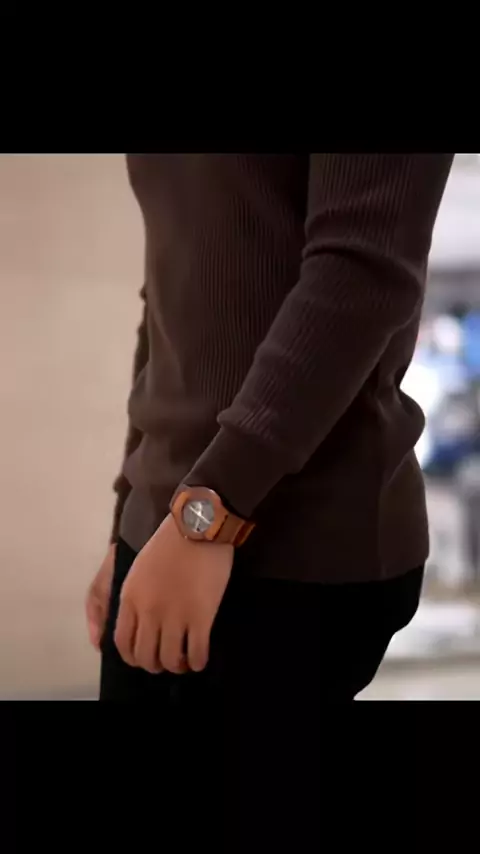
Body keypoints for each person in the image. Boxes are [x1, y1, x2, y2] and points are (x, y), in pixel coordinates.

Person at [86, 154, 453, 708]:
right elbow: (171, 295)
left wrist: (208, 515)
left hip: (291, 543)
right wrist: (129, 522)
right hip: (169, 532)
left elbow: (362, 271)